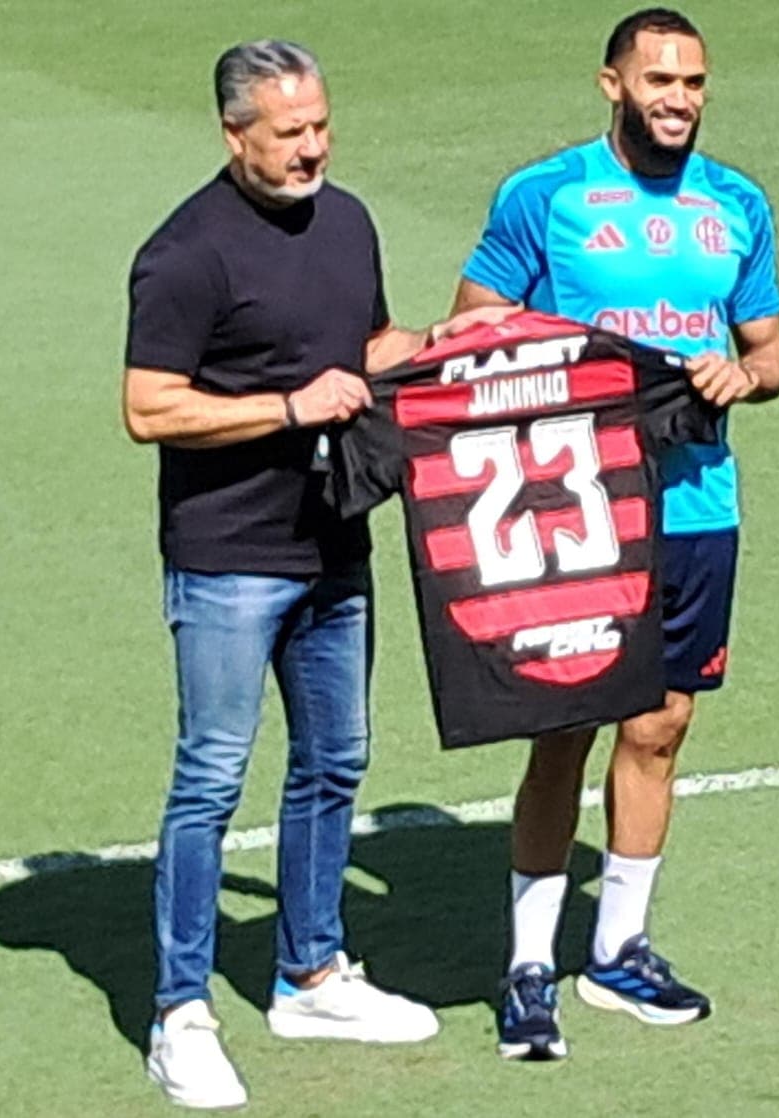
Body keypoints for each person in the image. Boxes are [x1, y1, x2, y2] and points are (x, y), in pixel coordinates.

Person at [124, 38, 501, 1109]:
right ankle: (179, 1011)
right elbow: (148, 407)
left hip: (334, 540)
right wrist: (288, 408)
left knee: (335, 757)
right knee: (210, 779)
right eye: (288, 134)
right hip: (228, 558)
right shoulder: (185, 254)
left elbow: (368, 343)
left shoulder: (348, 221)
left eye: (320, 125)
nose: (312, 148)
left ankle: (311, 971)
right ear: (233, 134)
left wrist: (450, 338)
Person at [451, 8, 779, 1060]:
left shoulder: (736, 205)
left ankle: (620, 946)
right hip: (580, 512)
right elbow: (474, 326)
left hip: (697, 503)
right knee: (565, 727)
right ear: (611, 84)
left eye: (693, 82)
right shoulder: (543, 195)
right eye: (659, 79)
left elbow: (770, 349)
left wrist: (744, 374)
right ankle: (525, 964)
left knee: (661, 724)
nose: (678, 99)